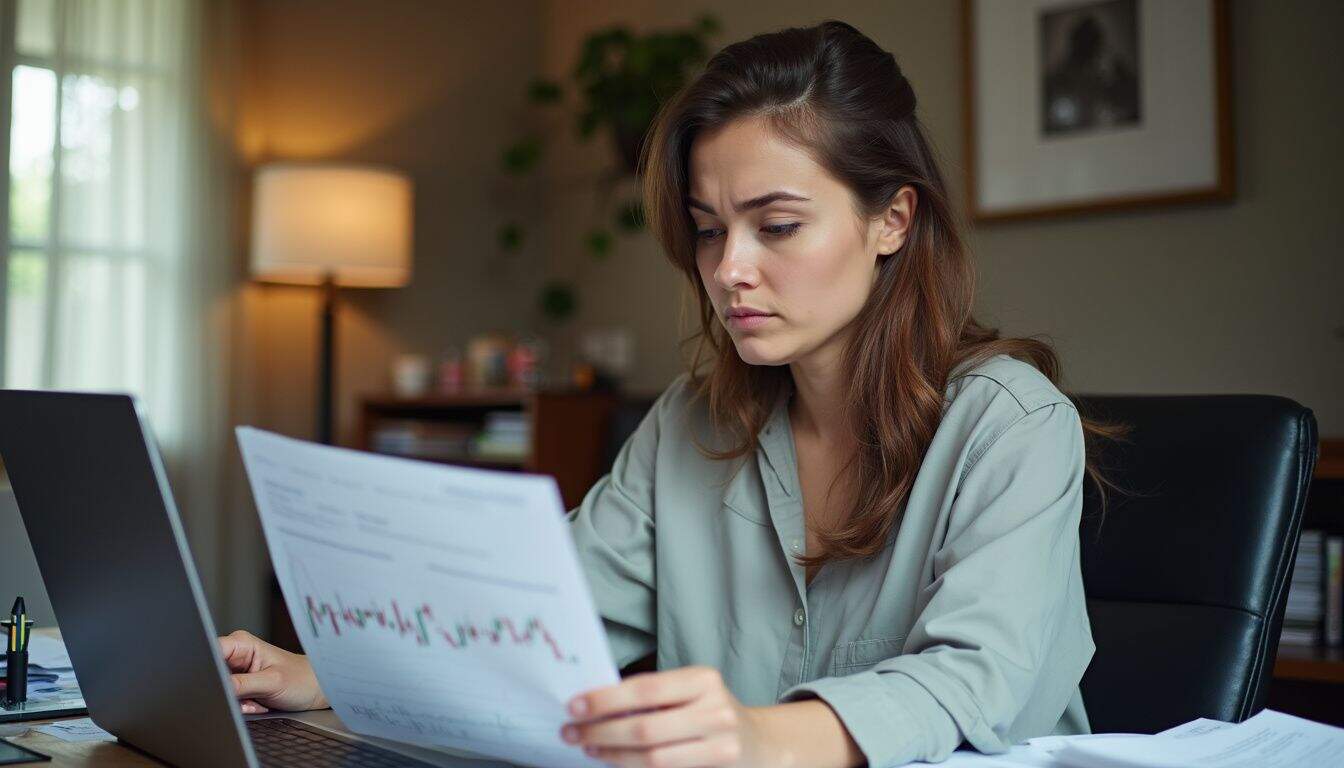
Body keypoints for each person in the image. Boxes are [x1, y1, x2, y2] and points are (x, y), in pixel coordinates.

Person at [219, 19, 1127, 768]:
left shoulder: (1010, 423)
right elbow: (538, 620)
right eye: (707, 231)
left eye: (777, 226)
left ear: (892, 218)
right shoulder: (693, 423)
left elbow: (973, 682)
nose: (729, 269)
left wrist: (753, 736)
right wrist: (325, 673)